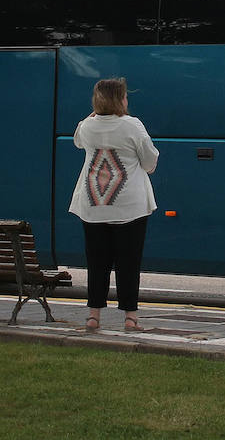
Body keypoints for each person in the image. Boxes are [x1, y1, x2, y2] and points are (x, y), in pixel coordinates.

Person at [69, 77, 159, 332]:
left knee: (97, 262)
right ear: (120, 100)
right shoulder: (132, 125)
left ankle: (93, 316)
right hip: (130, 205)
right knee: (128, 262)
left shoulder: (87, 126)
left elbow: (77, 140)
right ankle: (130, 318)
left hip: (93, 203)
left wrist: (93, 115)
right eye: (125, 96)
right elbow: (150, 161)